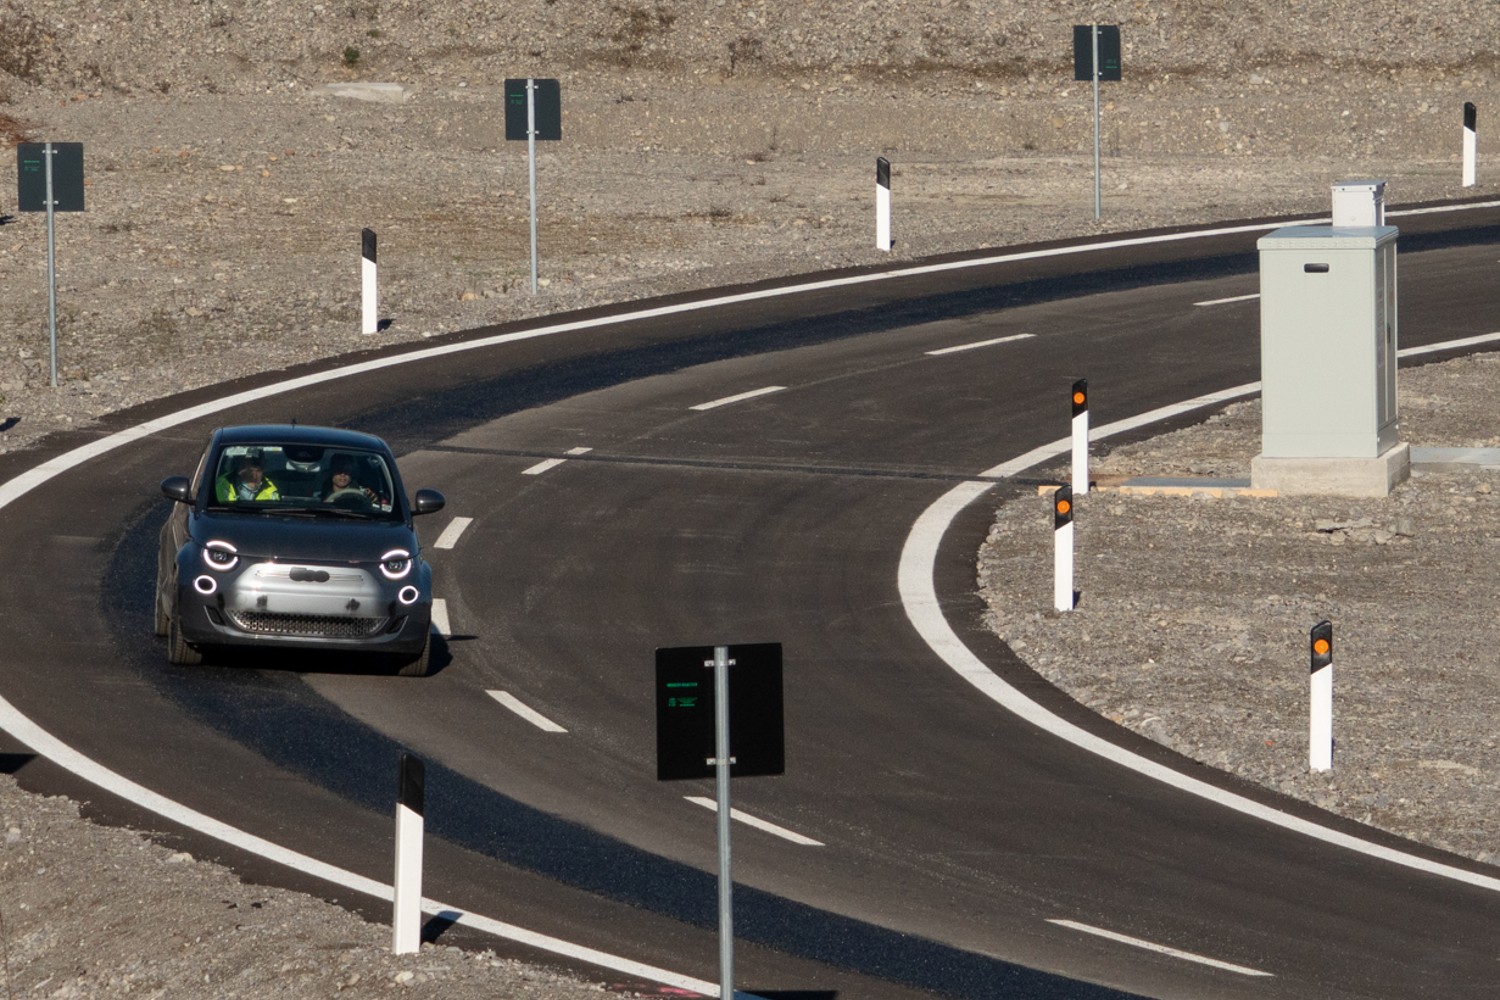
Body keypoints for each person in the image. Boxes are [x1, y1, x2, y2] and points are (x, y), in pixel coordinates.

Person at [215, 453, 280, 502]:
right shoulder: (221, 485)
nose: (255, 476)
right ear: (241, 470)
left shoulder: (270, 491)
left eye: (258, 471)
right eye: (250, 471)